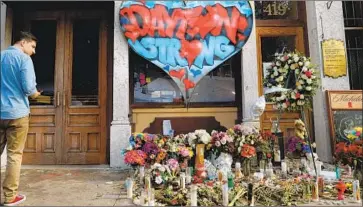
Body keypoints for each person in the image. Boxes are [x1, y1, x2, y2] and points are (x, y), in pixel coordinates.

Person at [0, 31, 41, 206]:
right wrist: (36, 94)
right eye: (32, 47)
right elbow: (29, 89)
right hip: (17, 114)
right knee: (14, 156)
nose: (34, 51)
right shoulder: (24, 59)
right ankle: (9, 197)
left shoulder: (1, 56)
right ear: (23, 43)